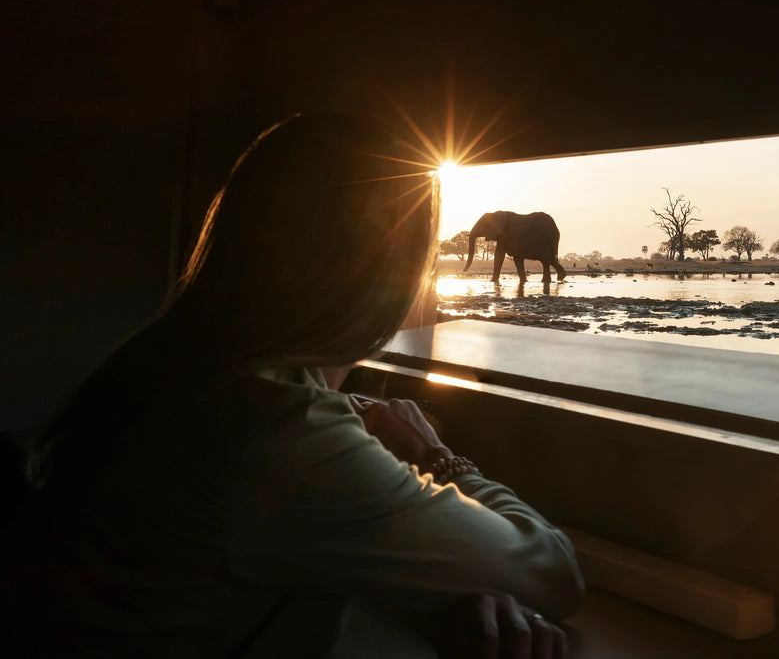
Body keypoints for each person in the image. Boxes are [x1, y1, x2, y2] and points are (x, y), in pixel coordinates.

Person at [8, 114, 585, 657]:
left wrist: (445, 584)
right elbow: (554, 573)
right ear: (385, 272)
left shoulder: (173, 364)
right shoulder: (278, 433)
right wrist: (439, 456)